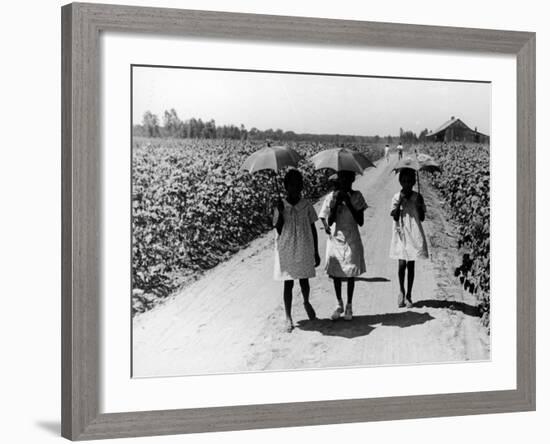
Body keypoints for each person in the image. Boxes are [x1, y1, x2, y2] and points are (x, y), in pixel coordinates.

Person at [273, 169, 321, 332]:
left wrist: (316, 251)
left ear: (301, 186)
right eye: (292, 185)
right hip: (286, 246)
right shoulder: (281, 205)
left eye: (298, 185)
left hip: (304, 245)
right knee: (288, 282)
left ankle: (306, 301)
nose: (295, 188)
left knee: (304, 279)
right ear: (286, 186)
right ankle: (288, 316)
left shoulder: (306, 204)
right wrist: (279, 212)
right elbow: (278, 229)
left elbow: (313, 227)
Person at [319, 170, 367, 321]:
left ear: (353, 180)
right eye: (342, 180)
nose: (345, 183)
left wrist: (349, 202)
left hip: (352, 237)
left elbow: (360, 221)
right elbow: (330, 221)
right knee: (336, 272)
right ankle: (339, 303)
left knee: (351, 272)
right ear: (339, 181)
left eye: (348, 179)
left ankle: (349, 305)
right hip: (336, 238)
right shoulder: (331, 197)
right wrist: (336, 204)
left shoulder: (357, 196)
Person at [389, 168, 428, 308]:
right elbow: (394, 216)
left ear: (413, 182)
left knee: (411, 264)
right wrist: (400, 202)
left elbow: (422, 218)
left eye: (409, 181)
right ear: (400, 181)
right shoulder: (396, 197)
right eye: (404, 181)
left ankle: (409, 295)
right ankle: (401, 290)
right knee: (401, 264)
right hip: (400, 232)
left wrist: (418, 206)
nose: (406, 183)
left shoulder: (418, 197)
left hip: (413, 232)